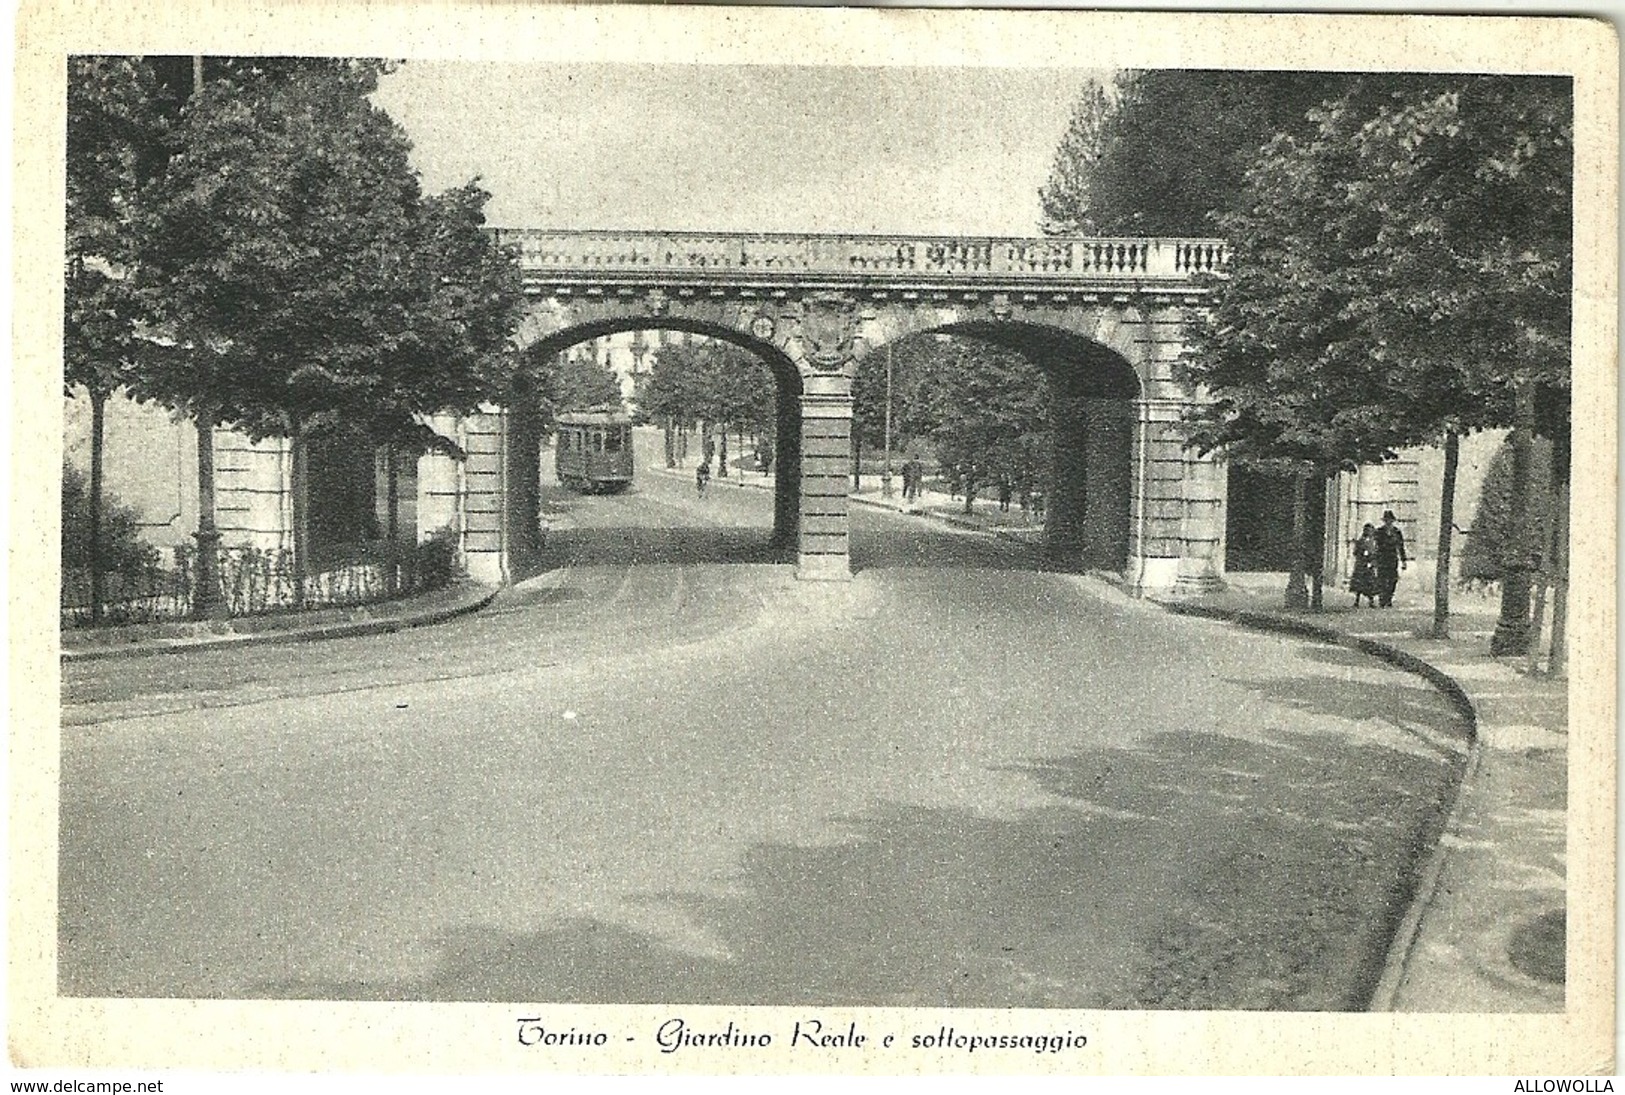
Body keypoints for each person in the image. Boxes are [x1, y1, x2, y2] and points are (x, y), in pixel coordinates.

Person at [1373, 510, 1408, 608]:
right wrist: (1374, 559)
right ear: (1384, 521)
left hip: (1392, 558)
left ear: (1393, 521)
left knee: (1393, 579)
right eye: (1386, 520)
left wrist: (1403, 561)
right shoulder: (1379, 531)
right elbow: (1375, 546)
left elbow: (1401, 547)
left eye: (1390, 520)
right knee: (1382, 579)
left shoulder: (1397, 532)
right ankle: (1382, 599)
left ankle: (1389, 598)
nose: (1388, 522)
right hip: (1382, 558)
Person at [1349, 523, 1379, 608]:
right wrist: (1362, 553)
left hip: (1369, 565)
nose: (1369, 532)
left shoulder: (1374, 542)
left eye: (1370, 530)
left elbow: (1376, 552)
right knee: (1359, 584)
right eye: (1367, 530)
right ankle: (1356, 601)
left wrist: (1373, 561)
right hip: (1361, 564)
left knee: (1370, 583)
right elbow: (1355, 552)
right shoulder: (1361, 541)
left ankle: (1371, 601)